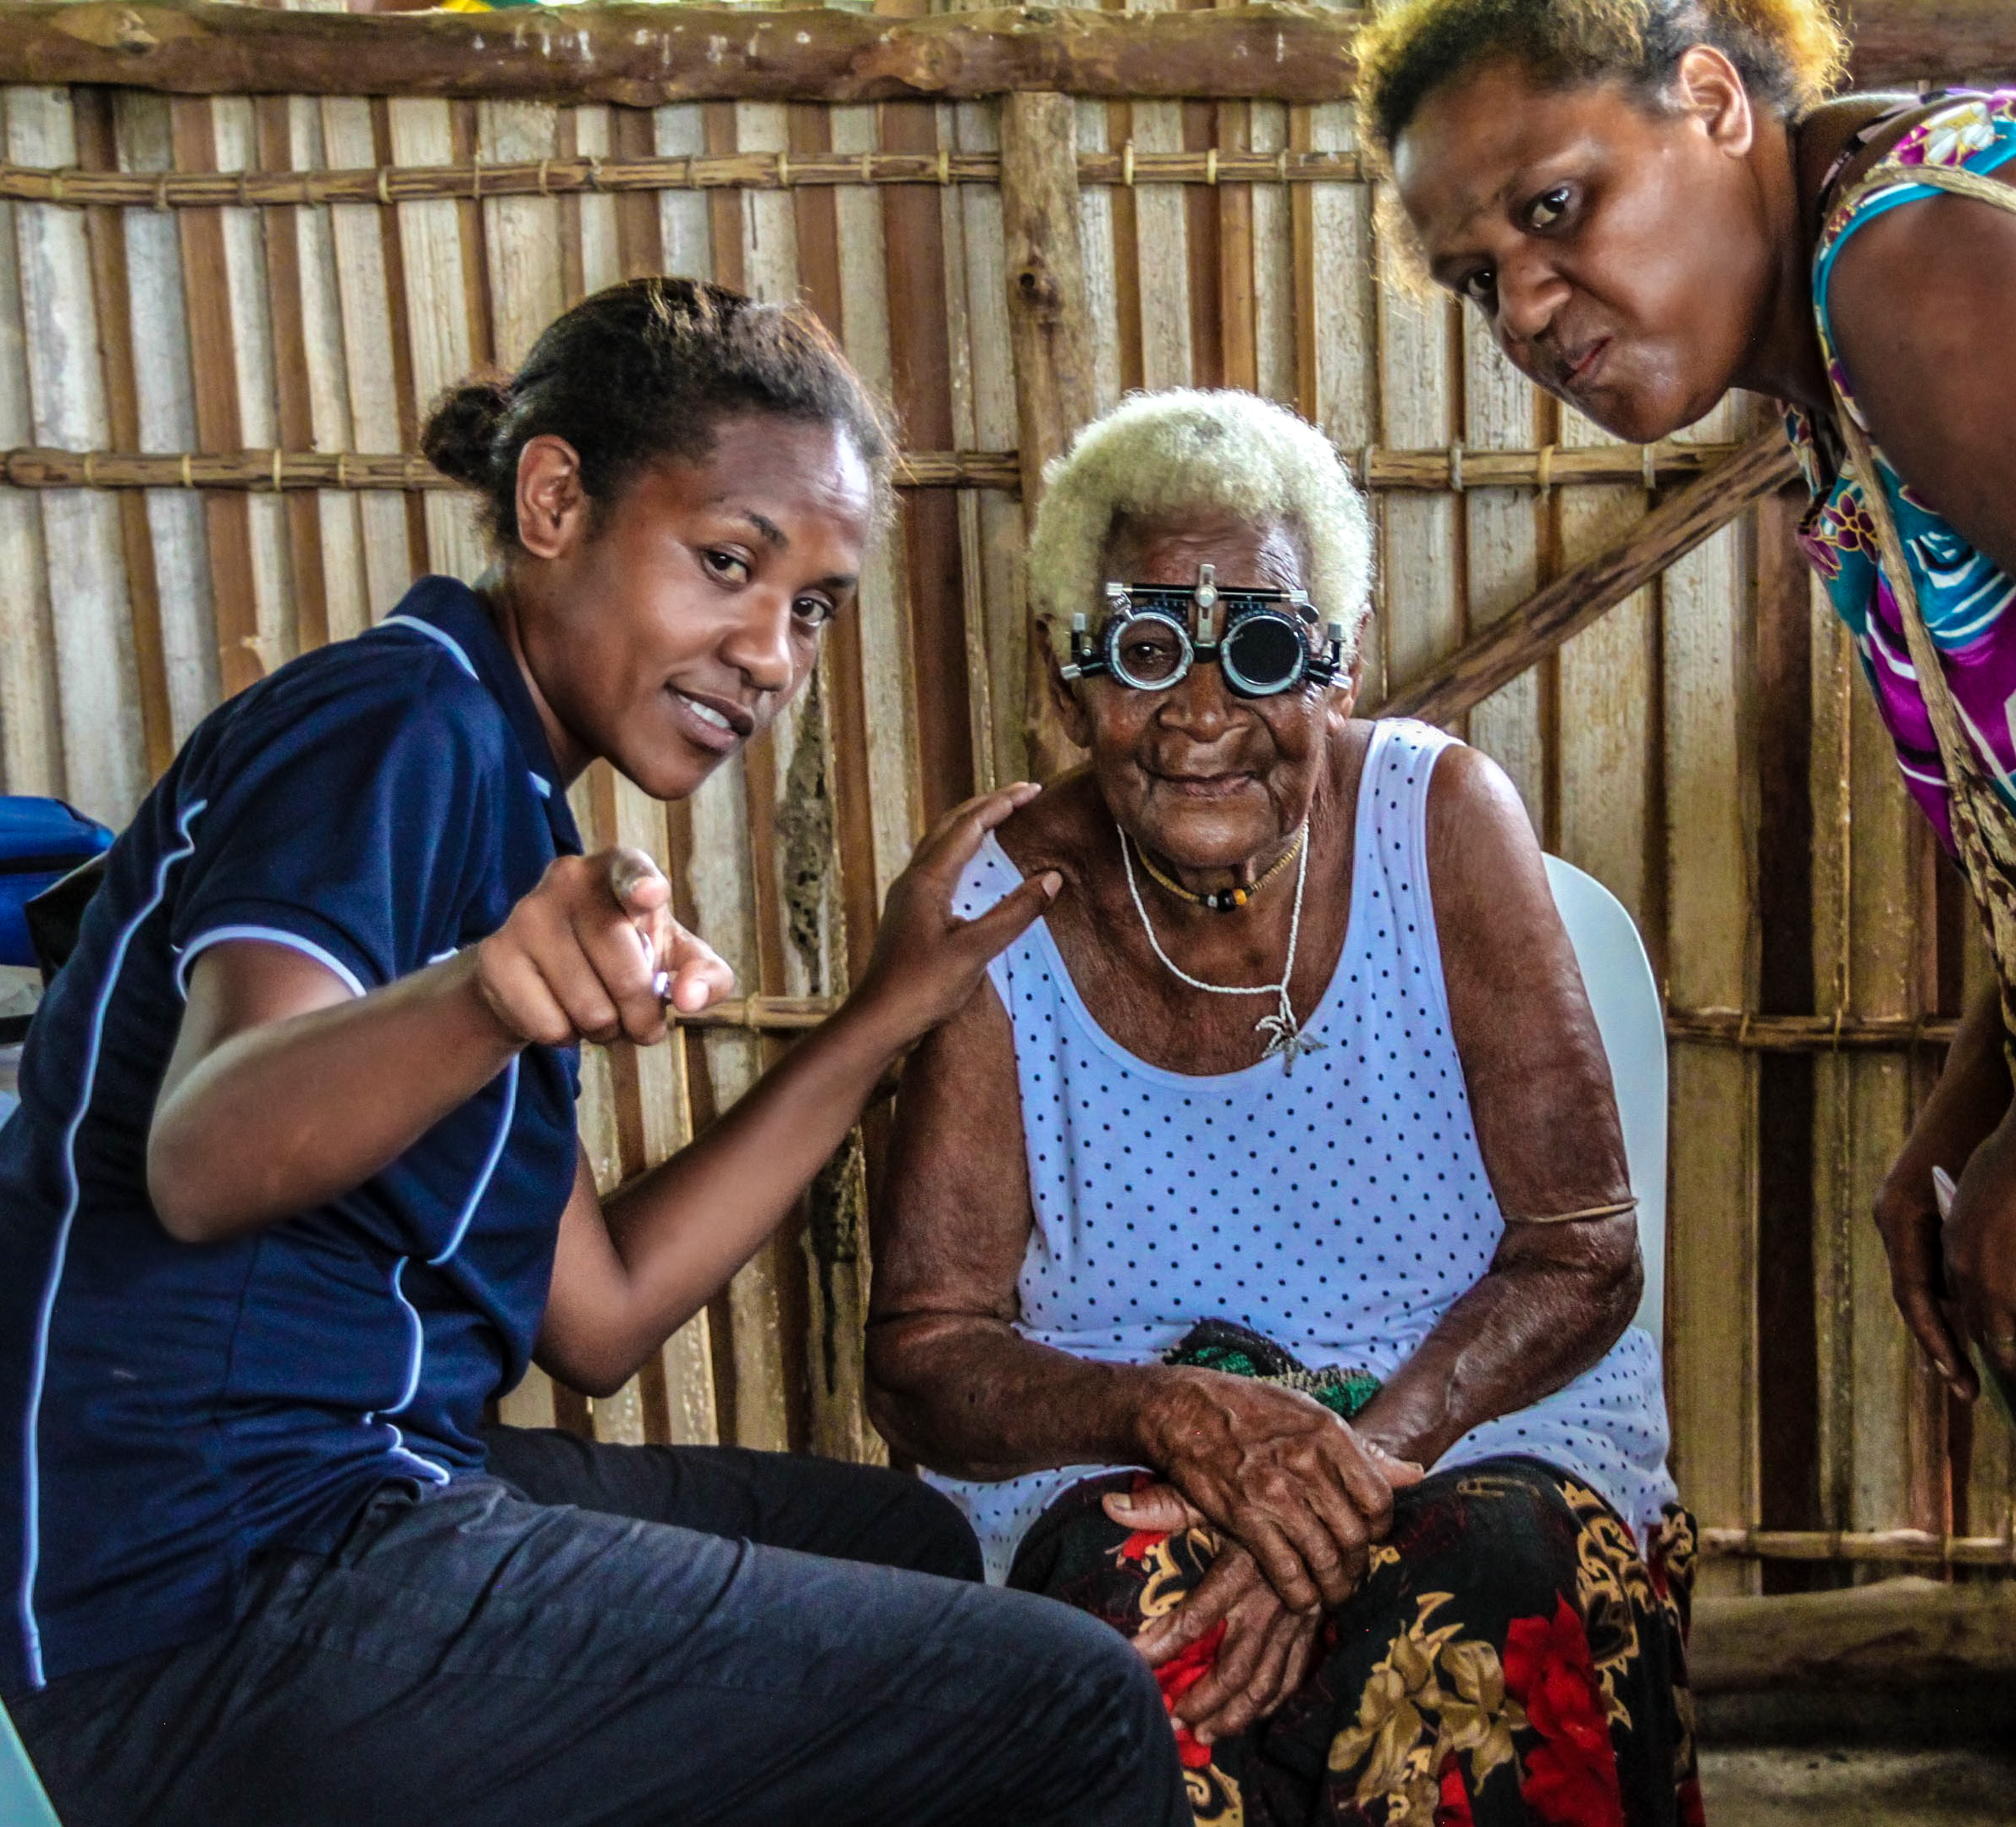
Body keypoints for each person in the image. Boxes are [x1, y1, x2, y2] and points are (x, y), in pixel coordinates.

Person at [0, 277, 1189, 1827]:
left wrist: (885, 1010)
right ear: (554, 498)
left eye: (814, 606)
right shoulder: (397, 724)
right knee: (1072, 1707)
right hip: (204, 1592)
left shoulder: (508, 806)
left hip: (335, 1505)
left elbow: (604, 1311)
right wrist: (489, 997)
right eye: (728, 563)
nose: (770, 652)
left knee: (911, 1540)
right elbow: (205, 1152)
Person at [866, 389, 1699, 1826]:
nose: (1202, 713)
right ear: (1068, 687)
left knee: (1481, 1616)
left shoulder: (1442, 819)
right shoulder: (997, 908)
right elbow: (924, 1354)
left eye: (1262, 647)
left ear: (1342, 666)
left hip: (1473, 1430)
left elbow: (1584, 1249)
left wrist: (1357, 1464)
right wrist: (1174, 1415)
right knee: (1127, 1668)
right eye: (1142, 650)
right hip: (1131, 1462)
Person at [1354, 0, 2016, 1417]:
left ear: (1714, 100)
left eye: (1557, 208)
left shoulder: (1904, 267)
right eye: (1480, 278)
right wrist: (1982, 1084)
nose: (1524, 313)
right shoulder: (1842, 354)